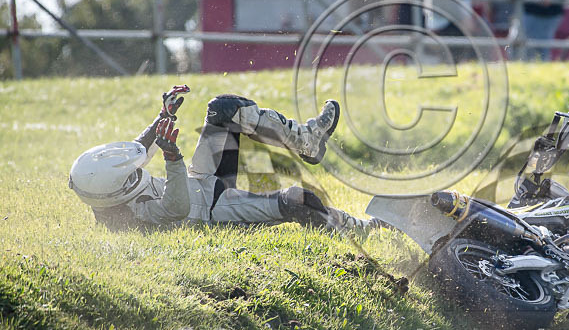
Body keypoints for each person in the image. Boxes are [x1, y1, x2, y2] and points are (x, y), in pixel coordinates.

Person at [69, 86, 381, 234]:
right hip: (216, 209)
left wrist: (163, 115)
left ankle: (308, 141)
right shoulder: (131, 215)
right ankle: (363, 230)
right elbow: (176, 208)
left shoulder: (108, 189)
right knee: (300, 200)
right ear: (114, 194)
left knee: (225, 107)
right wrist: (173, 158)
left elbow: (140, 149)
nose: (135, 169)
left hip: (202, 179)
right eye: (129, 174)